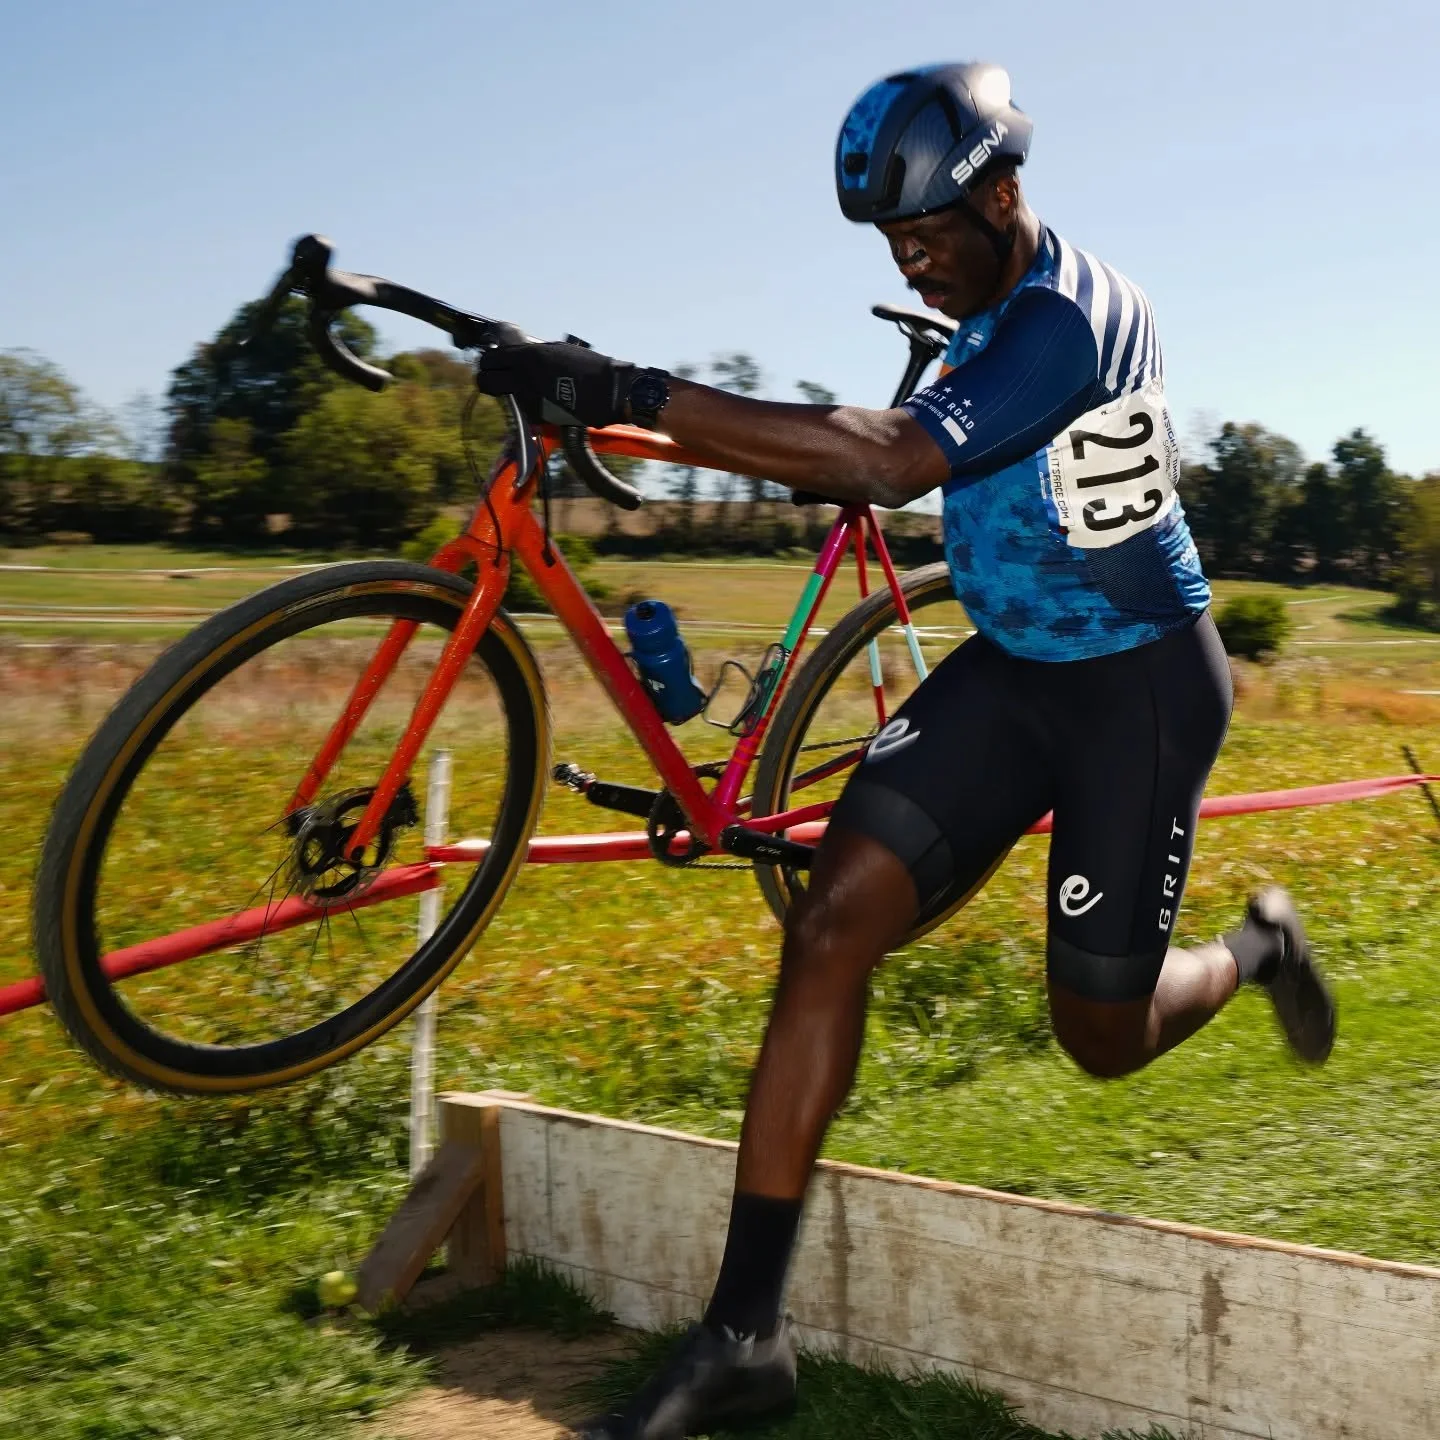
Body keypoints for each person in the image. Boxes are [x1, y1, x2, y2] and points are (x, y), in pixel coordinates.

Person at [475, 61, 1338, 1440]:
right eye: (893, 248)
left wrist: (633, 386)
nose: (915, 267)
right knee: (828, 929)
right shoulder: (994, 301)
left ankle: (1258, 949)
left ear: (1004, 193)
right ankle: (742, 1339)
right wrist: (588, 388)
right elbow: (856, 448)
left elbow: (882, 461)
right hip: (1016, 673)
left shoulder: (1063, 321)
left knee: (1099, 1039)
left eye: (930, 237)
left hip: (1140, 693)